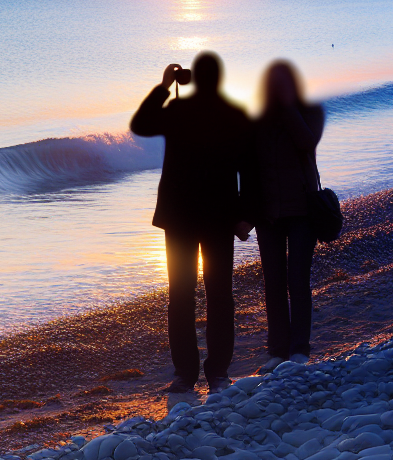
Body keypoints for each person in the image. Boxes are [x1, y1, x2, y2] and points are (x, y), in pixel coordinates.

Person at [130, 52, 253, 394]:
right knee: (219, 295)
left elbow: (141, 124)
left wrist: (164, 87)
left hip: (181, 217)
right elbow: (251, 170)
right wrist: (246, 216)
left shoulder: (178, 110)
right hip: (218, 217)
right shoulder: (234, 115)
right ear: (219, 78)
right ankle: (217, 372)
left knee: (182, 295)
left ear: (194, 78)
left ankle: (186, 373)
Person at [249, 60, 325, 372]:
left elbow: (308, 142)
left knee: (298, 280)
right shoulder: (258, 121)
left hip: (303, 210)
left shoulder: (311, 112)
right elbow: (250, 168)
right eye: (275, 84)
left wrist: (288, 108)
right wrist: (247, 212)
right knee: (274, 284)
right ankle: (277, 350)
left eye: (285, 83)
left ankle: (300, 349)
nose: (280, 89)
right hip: (268, 214)